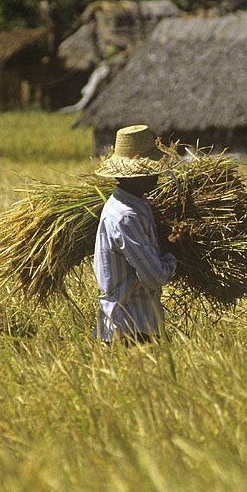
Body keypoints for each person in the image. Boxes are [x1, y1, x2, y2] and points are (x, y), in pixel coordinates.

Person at [93, 125, 178, 345]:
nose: (156, 174)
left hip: (140, 323)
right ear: (133, 176)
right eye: (149, 170)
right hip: (130, 330)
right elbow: (153, 277)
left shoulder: (136, 205)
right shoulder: (125, 217)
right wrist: (172, 251)